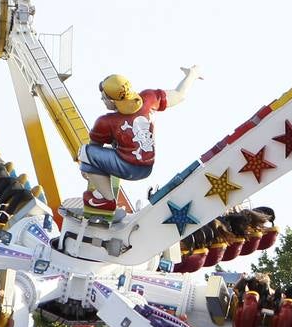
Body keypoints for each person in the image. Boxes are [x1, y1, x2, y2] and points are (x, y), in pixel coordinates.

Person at [79, 67, 201, 216]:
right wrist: (192, 75)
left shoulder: (106, 121)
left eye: (104, 98)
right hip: (147, 167)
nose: (102, 100)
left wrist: (85, 169)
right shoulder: (148, 99)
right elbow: (179, 95)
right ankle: (103, 194)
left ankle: (106, 201)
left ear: (113, 101)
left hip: (128, 167)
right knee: (99, 154)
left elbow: (93, 150)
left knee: (85, 152)